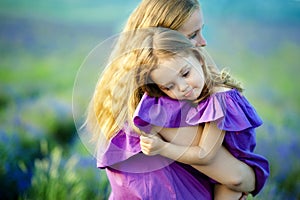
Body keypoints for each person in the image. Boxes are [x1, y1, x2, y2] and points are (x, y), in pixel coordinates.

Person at [84, 0, 258, 199]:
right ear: (164, 41)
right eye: (192, 35)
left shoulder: (134, 95)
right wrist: (253, 176)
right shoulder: (160, 109)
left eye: (201, 31)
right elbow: (236, 177)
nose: (203, 42)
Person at [131, 28, 269, 199]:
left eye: (185, 74)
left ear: (199, 58)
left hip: (237, 165)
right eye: (169, 87)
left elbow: (205, 154)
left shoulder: (219, 99)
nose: (182, 88)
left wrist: (163, 148)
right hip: (217, 173)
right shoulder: (198, 94)